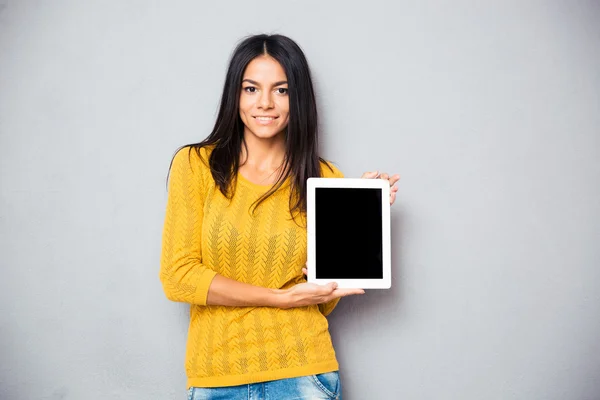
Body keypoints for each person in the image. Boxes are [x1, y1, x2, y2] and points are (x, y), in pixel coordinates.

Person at [159, 33, 400, 400]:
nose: (266, 103)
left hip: (304, 375)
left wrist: (361, 217)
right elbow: (178, 277)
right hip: (218, 377)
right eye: (251, 89)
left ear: (298, 97)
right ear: (234, 95)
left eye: (282, 90)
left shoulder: (325, 178)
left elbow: (324, 294)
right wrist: (279, 297)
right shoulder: (196, 166)